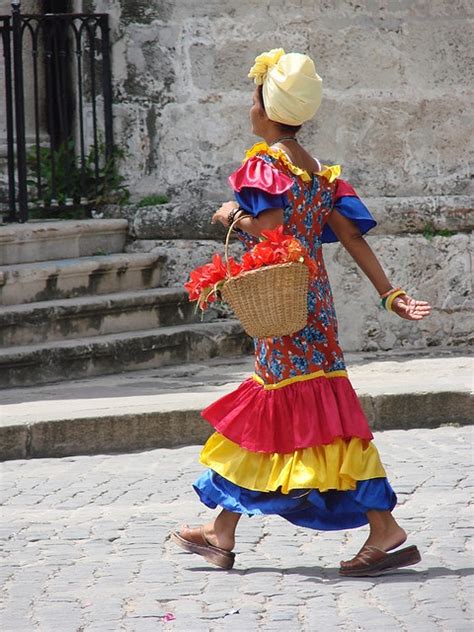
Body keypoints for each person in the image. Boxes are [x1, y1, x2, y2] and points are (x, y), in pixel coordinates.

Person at [171, 48, 431, 576]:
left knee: (292, 407)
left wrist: (232, 214)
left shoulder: (264, 167)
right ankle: (223, 531)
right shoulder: (318, 172)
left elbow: (270, 234)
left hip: (284, 302)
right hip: (315, 304)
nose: (250, 110)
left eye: (253, 101)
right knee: (296, 407)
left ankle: (384, 529)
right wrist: (390, 294)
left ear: (266, 110)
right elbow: (352, 236)